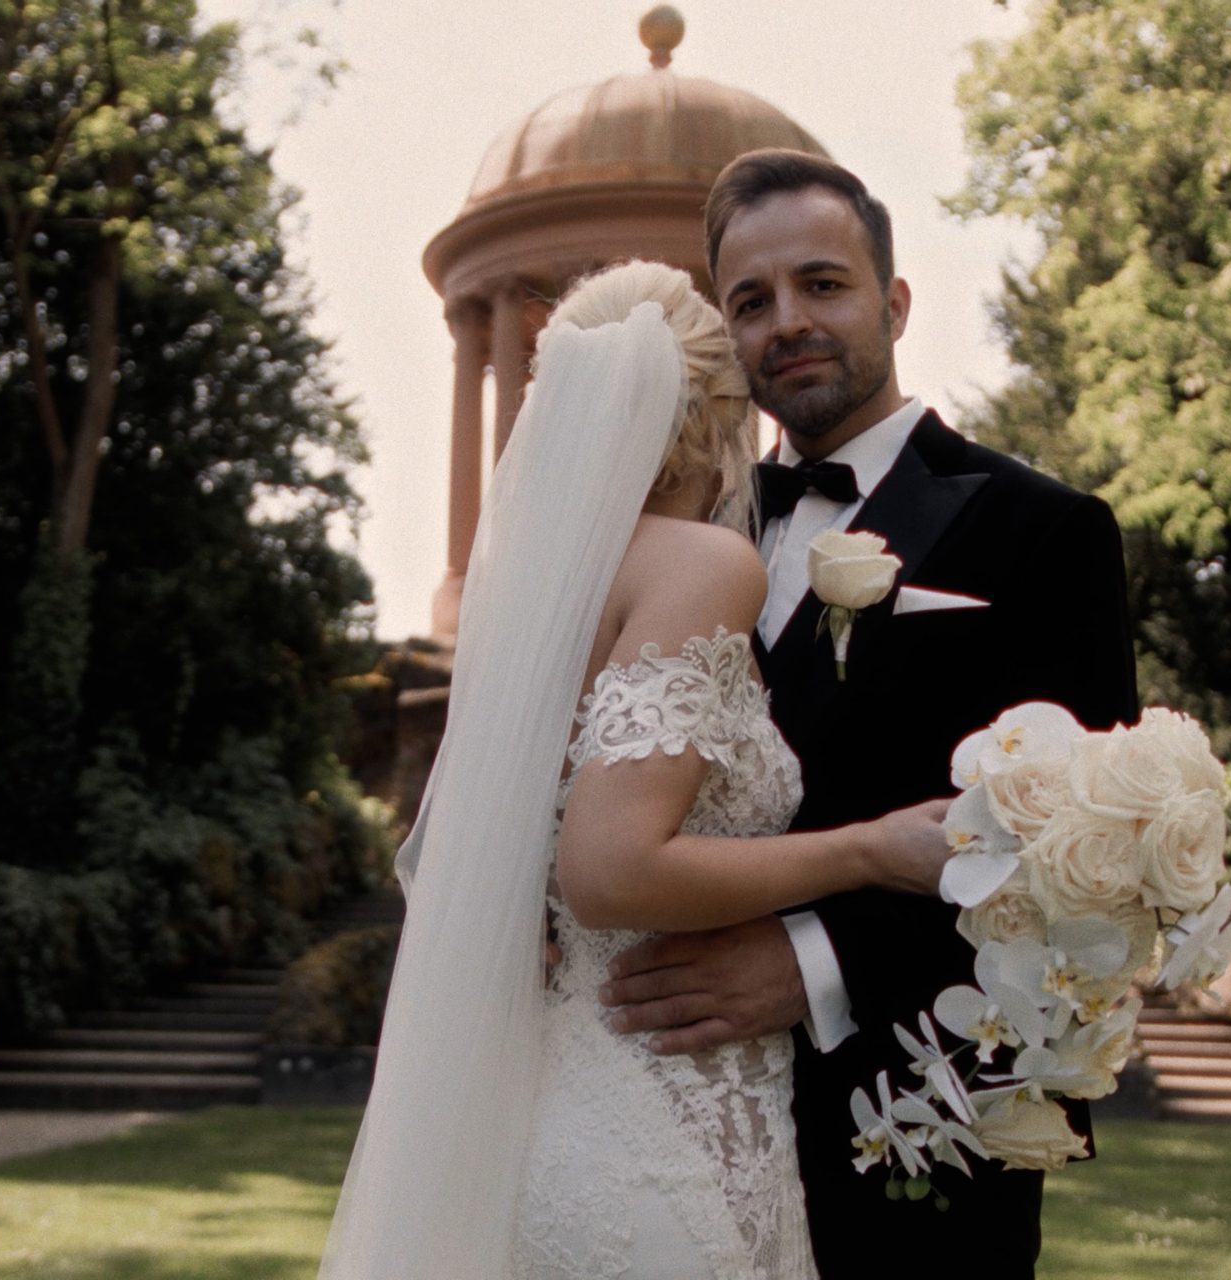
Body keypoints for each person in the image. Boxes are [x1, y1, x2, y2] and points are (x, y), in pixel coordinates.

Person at [317, 259, 958, 1280]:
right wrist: (872, 851)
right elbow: (610, 869)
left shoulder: (526, 609)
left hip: (564, 1114)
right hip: (663, 1155)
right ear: (718, 420)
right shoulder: (702, 565)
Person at [596, 149, 1140, 1277]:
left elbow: (1083, 864)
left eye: (821, 283)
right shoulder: (682, 548)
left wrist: (816, 962)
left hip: (915, 1126)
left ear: (892, 301)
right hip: (678, 1124)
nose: (786, 322)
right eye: (750, 302)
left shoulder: (1043, 532)